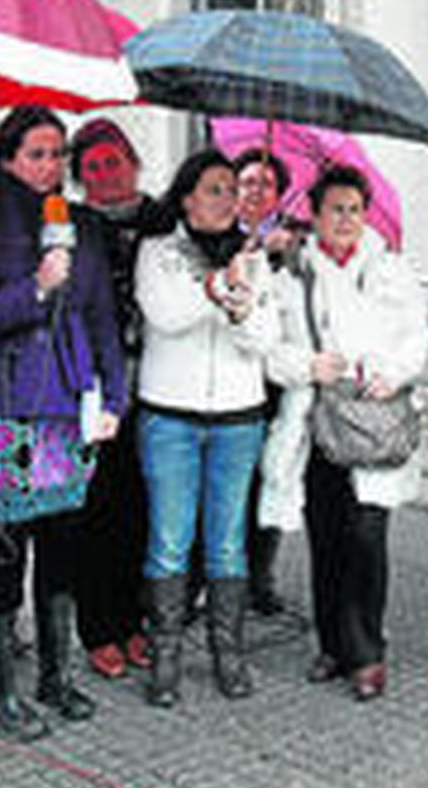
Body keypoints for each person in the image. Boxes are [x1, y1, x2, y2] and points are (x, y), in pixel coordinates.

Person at [0, 106, 127, 740]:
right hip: (9, 406)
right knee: (3, 551)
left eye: (57, 154)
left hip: (70, 408)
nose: (50, 167)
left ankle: (57, 675)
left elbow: (104, 315)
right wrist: (35, 288)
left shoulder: (81, 224)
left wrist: (114, 396)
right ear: (7, 160)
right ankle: (2, 690)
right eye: (37, 155)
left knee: (64, 543)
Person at [260, 166, 428, 701]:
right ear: (315, 213)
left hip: (371, 418)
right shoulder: (291, 274)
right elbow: (270, 350)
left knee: (367, 537)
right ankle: (332, 646)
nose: (346, 220)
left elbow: (415, 338)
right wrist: (307, 363)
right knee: (326, 536)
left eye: (354, 209)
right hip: (316, 420)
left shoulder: (391, 270)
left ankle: (368, 653)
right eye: (335, 209)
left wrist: (392, 373)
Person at [135, 148, 277, 707]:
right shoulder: (158, 252)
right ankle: (166, 655)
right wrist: (215, 290)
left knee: (227, 544)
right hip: (170, 416)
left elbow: (265, 341)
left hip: (239, 419)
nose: (229, 198)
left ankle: (228, 653)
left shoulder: (256, 258)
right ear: (187, 195)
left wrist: (243, 310)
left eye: (232, 190)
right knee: (169, 542)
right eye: (215, 188)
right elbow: (165, 316)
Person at [68, 118, 156, 681]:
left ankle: (134, 621)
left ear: (134, 162)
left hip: (156, 382)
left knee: (141, 509)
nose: (105, 174)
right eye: (93, 166)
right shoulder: (71, 225)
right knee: (95, 511)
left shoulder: (163, 217)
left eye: (113, 160)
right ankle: (98, 628)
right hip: (95, 387)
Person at [229, 146, 298, 615]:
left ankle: (260, 577)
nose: (256, 190)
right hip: (229, 376)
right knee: (227, 484)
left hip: (273, 381)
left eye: (267, 183)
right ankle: (214, 578)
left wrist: (280, 258)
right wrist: (249, 253)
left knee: (270, 476)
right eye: (248, 181)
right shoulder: (216, 233)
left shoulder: (293, 243)